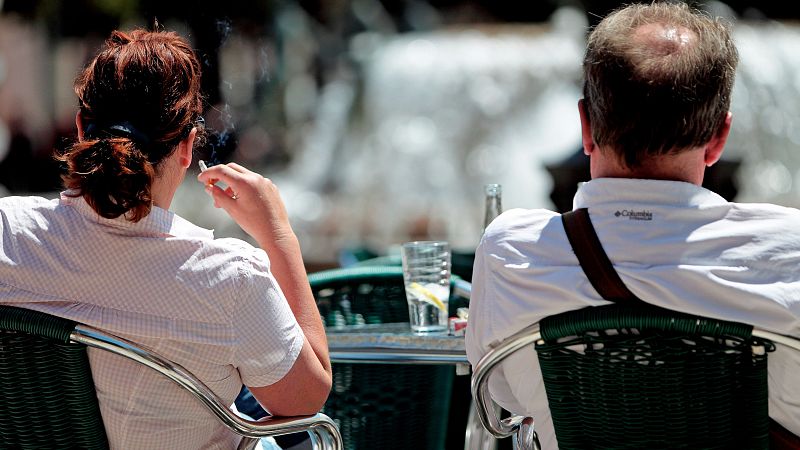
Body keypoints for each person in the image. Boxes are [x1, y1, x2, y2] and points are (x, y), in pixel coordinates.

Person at [465, 3, 800, 449]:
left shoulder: (510, 249)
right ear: (720, 139)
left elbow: (502, 395)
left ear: (585, 126)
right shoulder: (788, 249)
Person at [0, 29, 331, 448]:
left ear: (81, 127)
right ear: (188, 147)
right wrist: (280, 236)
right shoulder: (229, 278)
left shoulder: (7, 232)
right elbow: (307, 401)